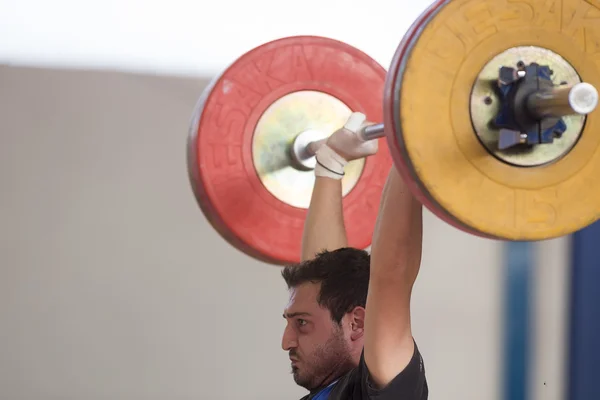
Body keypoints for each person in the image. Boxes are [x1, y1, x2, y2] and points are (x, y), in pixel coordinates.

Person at [280, 112, 428, 399]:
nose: (286, 342)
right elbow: (325, 273)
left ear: (357, 323)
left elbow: (391, 277)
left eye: (301, 323)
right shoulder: (328, 390)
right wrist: (330, 164)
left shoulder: (382, 386)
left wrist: (410, 143)